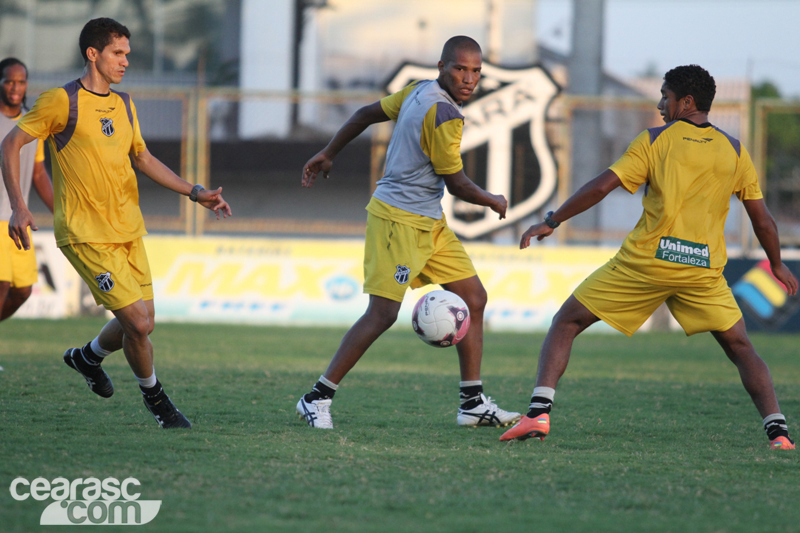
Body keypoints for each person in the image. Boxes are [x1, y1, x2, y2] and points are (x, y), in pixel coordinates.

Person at [500, 65, 798, 450]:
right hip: (702, 270)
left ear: (685, 102)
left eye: (665, 96)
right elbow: (763, 219)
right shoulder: (735, 150)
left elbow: (603, 186)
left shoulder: (655, 140)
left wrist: (552, 220)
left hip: (647, 262)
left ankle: (538, 414)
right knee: (741, 347)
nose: (660, 104)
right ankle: (780, 434)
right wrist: (775, 262)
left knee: (567, 321)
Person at [0, 18, 232, 428]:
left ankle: (87, 357)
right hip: (86, 234)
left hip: (128, 229)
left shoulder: (124, 104)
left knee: (143, 321)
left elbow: (141, 158)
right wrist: (20, 205)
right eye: (118, 53)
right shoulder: (61, 100)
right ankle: (158, 403)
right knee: (138, 325)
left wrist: (194, 192)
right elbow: (12, 142)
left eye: (128, 53)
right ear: (93, 53)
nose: (126, 60)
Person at [297, 35, 520, 430]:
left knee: (473, 297)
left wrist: (330, 151)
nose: (469, 78)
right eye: (460, 69)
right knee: (382, 313)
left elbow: (365, 114)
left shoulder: (420, 90)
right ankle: (316, 398)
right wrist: (492, 199)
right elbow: (457, 184)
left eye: (476, 71)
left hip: (429, 222)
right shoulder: (444, 114)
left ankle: (471, 403)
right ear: (442, 67)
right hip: (397, 220)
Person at [0, 58, 53, 325]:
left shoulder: (33, 123)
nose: (15, 87)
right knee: (1, 285)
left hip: (17, 220)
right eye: (9, 80)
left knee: (22, 291)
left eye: (21, 82)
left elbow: (38, 173)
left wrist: (60, 210)